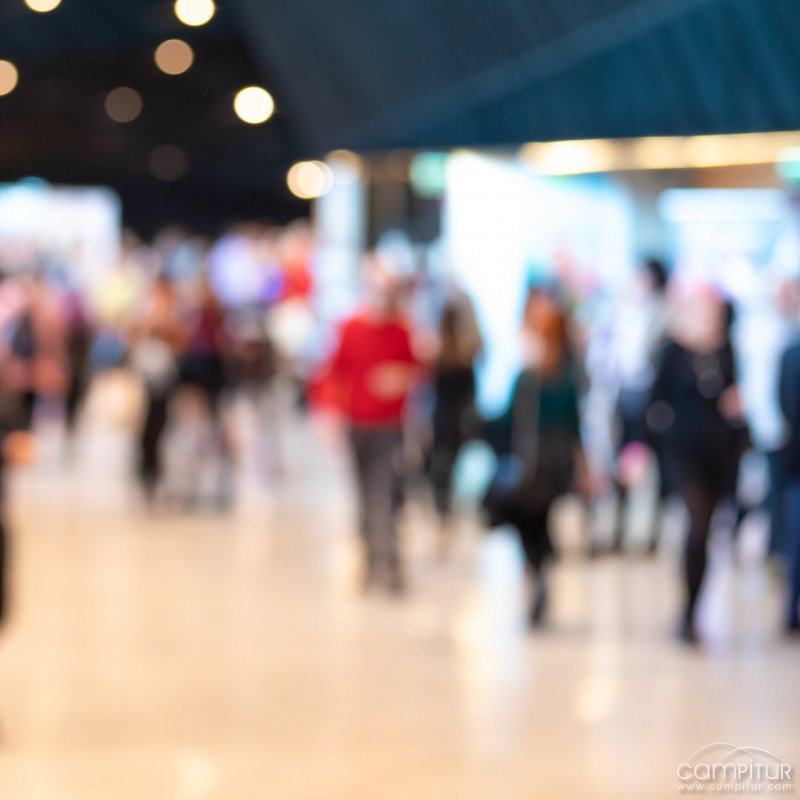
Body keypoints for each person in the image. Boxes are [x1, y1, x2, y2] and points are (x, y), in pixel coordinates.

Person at [485, 291, 587, 628]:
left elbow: (509, 422)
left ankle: (539, 569)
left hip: (537, 465)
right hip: (553, 465)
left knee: (531, 522)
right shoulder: (562, 378)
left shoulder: (532, 379)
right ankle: (541, 569)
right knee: (537, 523)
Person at [648, 284, 741, 644]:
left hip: (718, 451)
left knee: (708, 531)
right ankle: (686, 611)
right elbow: (655, 399)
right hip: (683, 449)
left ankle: (695, 604)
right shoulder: (673, 349)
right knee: (697, 524)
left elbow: (733, 393)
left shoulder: (726, 348)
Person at [327, 256, 421, 593]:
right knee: (364, 498)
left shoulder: (402, 329)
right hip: (358, 423)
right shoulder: (351, 328)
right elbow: (335, 373)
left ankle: (390, 564)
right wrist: (332, 417)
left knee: (387, 495)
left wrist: (400, 379)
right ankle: (369, 565)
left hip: (390, 426)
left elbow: (416, 370)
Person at [608, 258, 671, 554]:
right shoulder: (622, 313)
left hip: (651, 401)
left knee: (652, 466)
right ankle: (619, 529)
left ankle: (651, 533)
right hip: (625, 397)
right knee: (622, 464)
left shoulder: (663, 315)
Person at [428, 295, 482, 550]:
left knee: (443, 473)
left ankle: (446, 516)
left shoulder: (443, 356)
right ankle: (448, 515)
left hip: (445, 424)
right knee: (447, 472)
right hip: (455, 424)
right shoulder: (461, 357)